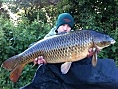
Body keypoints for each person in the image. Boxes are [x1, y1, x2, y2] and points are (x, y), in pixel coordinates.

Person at [20, 13, 118, 89]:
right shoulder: (47, 39)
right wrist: (41, 62)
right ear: (58, 26)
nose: (66, 28)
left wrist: (89, 55)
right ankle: (19, 61)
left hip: (70, 72)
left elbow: (87, 59)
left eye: (68, 26)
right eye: (63, 25)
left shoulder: (76, 37)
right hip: (53, 75)